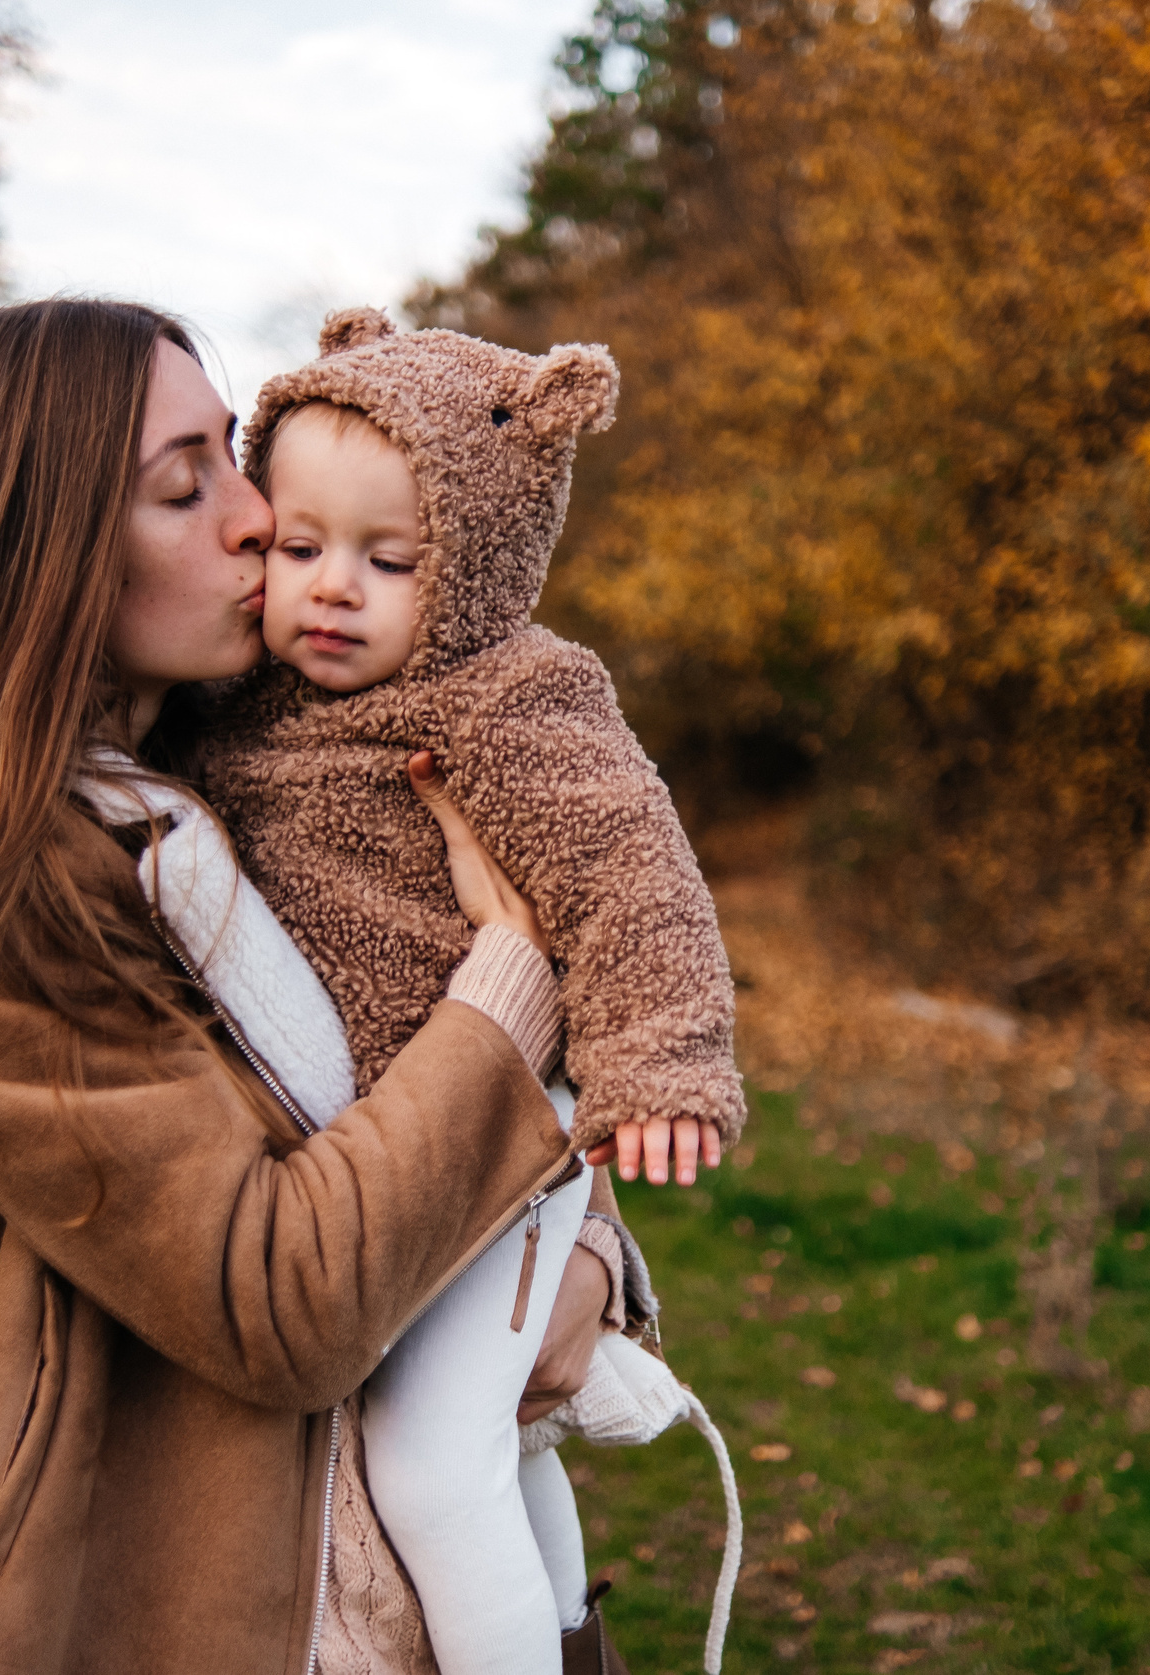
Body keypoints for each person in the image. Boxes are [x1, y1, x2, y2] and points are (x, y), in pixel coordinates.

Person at [0, 298, 673, 1675]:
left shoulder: (217, 786)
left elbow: (394, 1086)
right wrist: (514, 979)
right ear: (33, 556)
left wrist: (585, 1255)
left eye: (235, 457)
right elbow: (283, 1301)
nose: (258, 518)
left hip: (388, 1613)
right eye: (183, 483)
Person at [196, 309, 742, 1674]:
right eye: (301, 548)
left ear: (484, 562)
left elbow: (630, 870)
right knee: (485, 1454)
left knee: (434, 1473)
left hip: (491, 1151)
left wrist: (661, 1062)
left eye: (390, 562)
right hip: (377, 1158)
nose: (331, 591)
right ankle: (563, 1633)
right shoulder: (241, 702)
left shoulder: (512, 698)